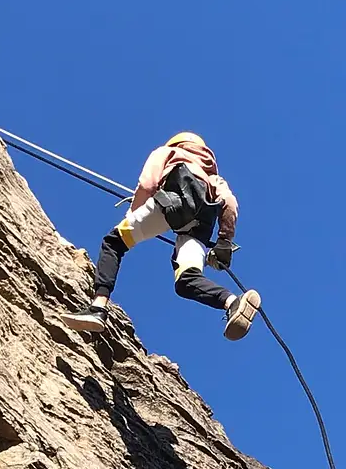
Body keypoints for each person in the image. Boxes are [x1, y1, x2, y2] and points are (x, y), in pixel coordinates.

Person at [62, 133, 261, 341]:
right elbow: (230, 204)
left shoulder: (169, 152)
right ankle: (232, 302)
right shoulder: (214, 178)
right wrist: (223, 243)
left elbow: (147, 185)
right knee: (186, 280)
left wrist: (133, 214)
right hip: (201, 225)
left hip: (172, 204)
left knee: (114, 243)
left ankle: (97, 308)